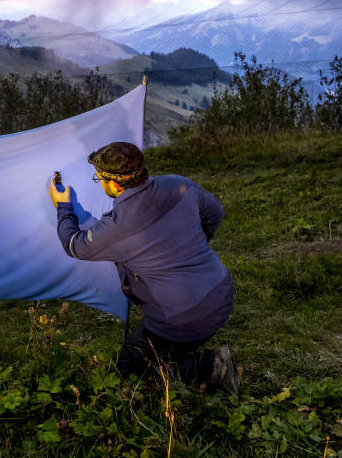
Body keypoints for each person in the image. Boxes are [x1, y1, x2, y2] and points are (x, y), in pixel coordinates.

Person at [47, 142, 240, 394]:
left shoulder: (118, 226)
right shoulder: (178, 185)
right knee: (157, 348)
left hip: (181, 317)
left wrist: (62, 206)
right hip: (222, 295)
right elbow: (215, 213)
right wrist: (190, 245)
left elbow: (74, 245)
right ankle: (185, 345)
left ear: (114, 183)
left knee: (129, 373)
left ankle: (211, 366)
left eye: (99, 178)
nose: (99, 182)